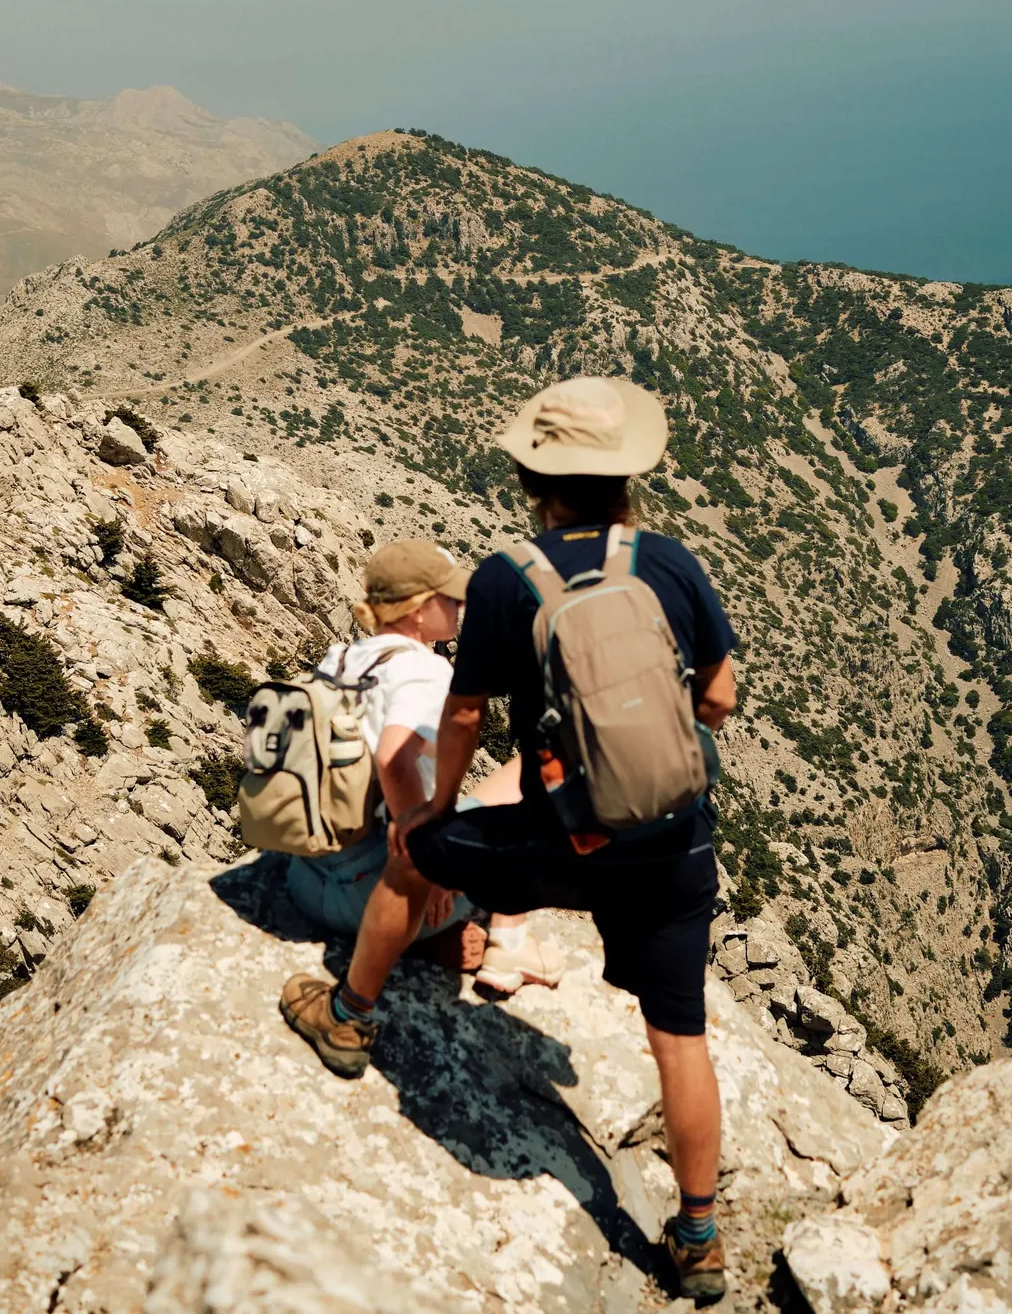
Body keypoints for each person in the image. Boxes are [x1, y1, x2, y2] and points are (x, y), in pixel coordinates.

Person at [281, 378, 738, 1303]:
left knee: (414, 858)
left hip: (556, 839)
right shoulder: (672, 561)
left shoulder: (503, 579)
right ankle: (698, 1238)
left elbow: (461, 713)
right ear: (626, 477)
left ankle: (350, 1019)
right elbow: (720, 700)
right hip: (672, 842)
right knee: (679, 1038)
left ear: (533, 474)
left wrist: (433, 810)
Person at [284, 536, 565, 991]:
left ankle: (427, 940)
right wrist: (432, 868)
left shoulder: (341, 659)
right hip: (370, 895)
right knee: (553, 768)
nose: (460, 603)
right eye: (450, 595)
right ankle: (507, 947)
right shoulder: (425, 671)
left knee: (515, 776)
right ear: (417, 608)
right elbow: (395, 761)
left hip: (306, 881)